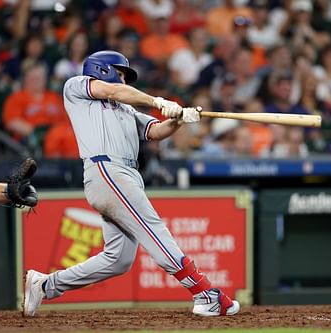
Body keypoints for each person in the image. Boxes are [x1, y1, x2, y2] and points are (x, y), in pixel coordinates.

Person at [23, 50, 240, 317]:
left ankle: (45, 285)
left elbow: (155, 132)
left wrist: (179, 119)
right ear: (102, 69)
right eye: (121, 73)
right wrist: (158, 101)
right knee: (154, 230)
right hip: (106, 170)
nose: (124, 80)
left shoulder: (126, 108)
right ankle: (204, 293)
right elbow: (112, 91)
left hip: (125, 175)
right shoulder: (76, 87)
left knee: (118, 260)